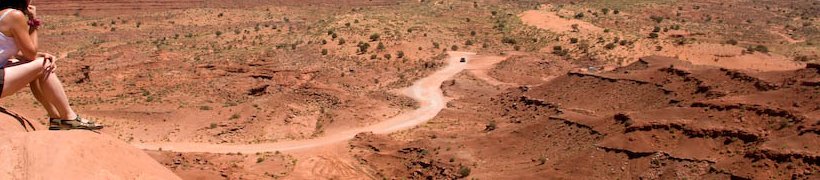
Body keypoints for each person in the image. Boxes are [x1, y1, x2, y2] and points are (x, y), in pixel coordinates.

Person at [0, 0, 102, 130]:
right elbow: (30, 54)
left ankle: (55, 117)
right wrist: (33, 21)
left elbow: (14, 52)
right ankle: (68, 117)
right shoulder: (14, 16)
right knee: (44, 65)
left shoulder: (3, 15)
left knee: (33, 63)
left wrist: (39, 55)